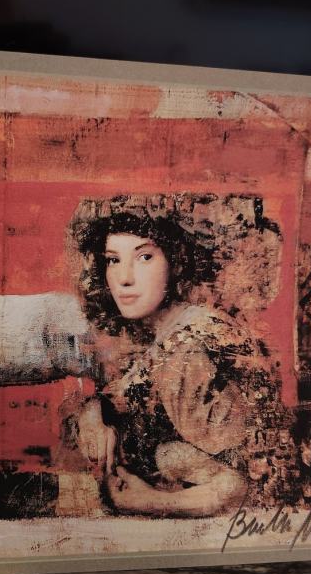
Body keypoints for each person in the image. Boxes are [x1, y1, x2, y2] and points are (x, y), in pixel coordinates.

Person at [66, 193, 295, 517]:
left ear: (175, 262)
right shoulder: (153, 334)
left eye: (144, 257)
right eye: (113, 260)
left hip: (242, 523)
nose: (124, 278)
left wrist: (150, 501)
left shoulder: (188, 351)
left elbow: (243, 487)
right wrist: (92, 413)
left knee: (169, 456)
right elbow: (119, 399)